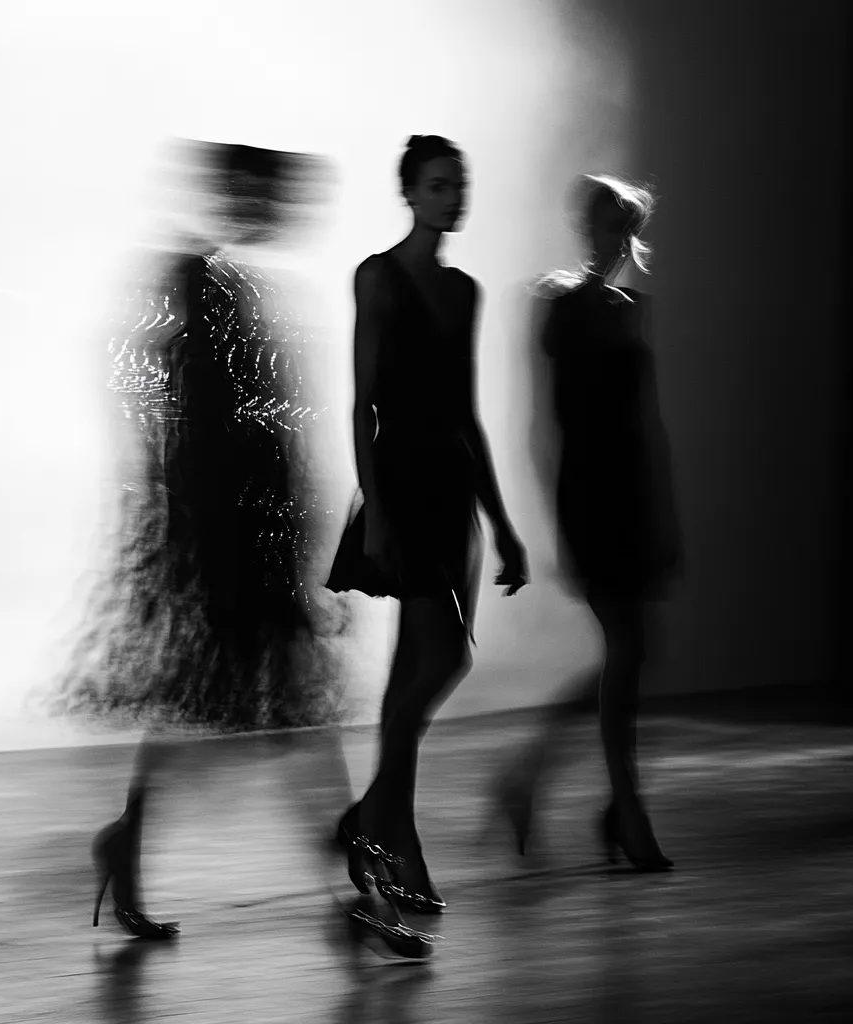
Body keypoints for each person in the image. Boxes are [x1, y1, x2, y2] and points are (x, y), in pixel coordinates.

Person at [46, 139, 337, 937]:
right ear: (239, 198)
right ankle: (357, 880)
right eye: (265, 196)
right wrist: (202, 533)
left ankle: (131, 845)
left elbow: (230, 419)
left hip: (245, 533)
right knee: (272, 705)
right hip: (230, 538)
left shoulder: (224, 285)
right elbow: (194, 420)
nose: (276, 211)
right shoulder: (202, 283)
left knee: (263, 704)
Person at [325, 135, 528, 958]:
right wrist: (375, 509)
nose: (455, 196)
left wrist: (503, 523)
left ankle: (384, 831)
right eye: (440, 184)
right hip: (402, 492)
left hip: (452, 494)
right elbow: (361, 404)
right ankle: (383, 827)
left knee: (416, 669)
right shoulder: (378, 277)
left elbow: (467, 413)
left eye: (460, 184)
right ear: (409, 192)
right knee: (443, 661)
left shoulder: (464, 290)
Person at [495, 174, 682, 871]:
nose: (615, 240)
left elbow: (649, 421)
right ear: (586, 229)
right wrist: (552, 511)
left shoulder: (634, 307)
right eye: (605, 226)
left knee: (636, 654)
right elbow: (544, 417)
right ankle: (625, 812)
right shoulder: (557, 303)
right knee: (628, 648)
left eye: (625, 228)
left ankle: (533, 780)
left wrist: (665, 508)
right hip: (590, 496)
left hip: (634, 495)